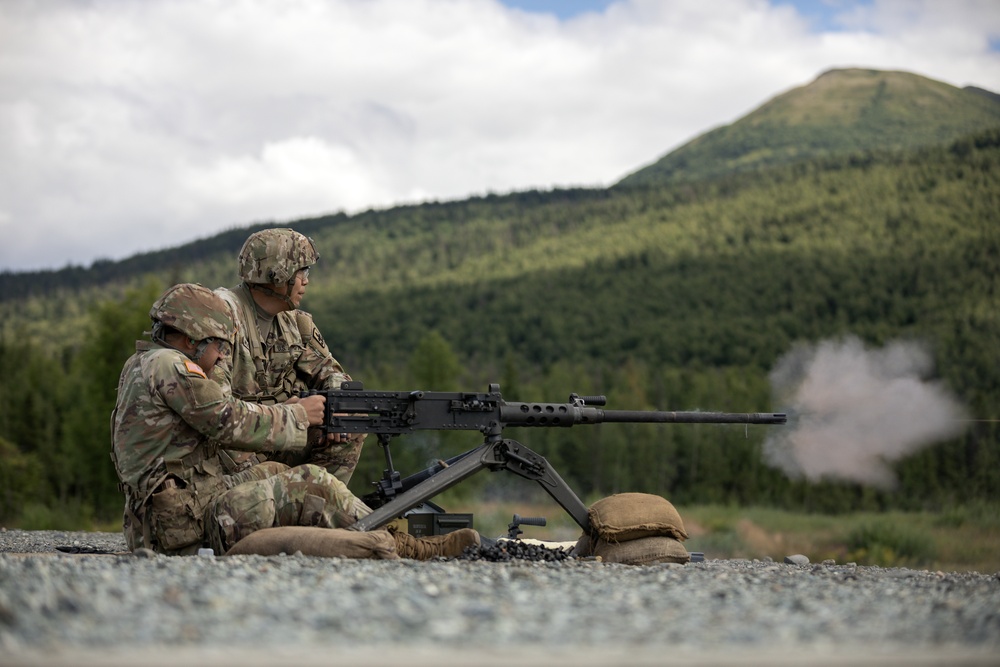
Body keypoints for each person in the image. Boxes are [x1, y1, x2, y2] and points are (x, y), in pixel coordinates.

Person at [110, 283, 478, 559]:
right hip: (182, 527)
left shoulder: (146, 363)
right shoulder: (170, 366)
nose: (222, 355)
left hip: (175, 512)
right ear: (191, 340)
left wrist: (288, 414)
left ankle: (346, 528)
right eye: (218, 346)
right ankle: (411, 546)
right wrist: (297, 415)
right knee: (310, 483)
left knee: (272, 469)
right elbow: (226, 419)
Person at [211, 228, 364, 484]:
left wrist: (337, 407)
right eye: (301, 272)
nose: (306, 281)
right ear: (278, 275)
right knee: (264, 478)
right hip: (233, 440)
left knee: (350, 427)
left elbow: (330, 372)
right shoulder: (223, 316)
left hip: (282, 433)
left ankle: (317, 507)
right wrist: (286, 414)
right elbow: (215, 411)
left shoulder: (294, 323)